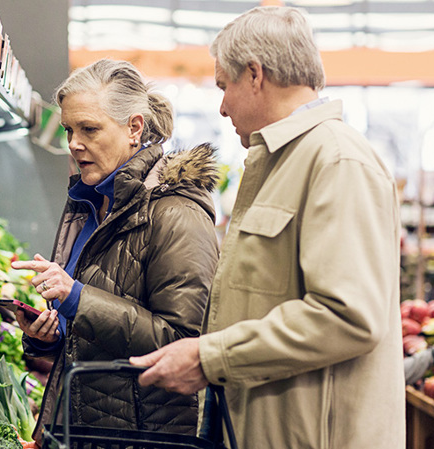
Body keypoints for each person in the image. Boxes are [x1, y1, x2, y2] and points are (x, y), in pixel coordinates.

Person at [129, 6, 405, 449]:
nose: (221, 107)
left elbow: (348, 316)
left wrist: (210, 357)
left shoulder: (337, 161)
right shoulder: (281, 162)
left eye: (225, 86)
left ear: (255, 75)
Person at [9, 59, 220, 444]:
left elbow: (182, 341)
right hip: (85, 427)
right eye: (69, 129)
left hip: (144, 436)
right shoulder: (88, 201)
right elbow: (95, 331)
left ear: (134, 128)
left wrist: (76, 298)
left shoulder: (177, 214)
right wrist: (50, 336)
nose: (74, 143)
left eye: (89, 128)